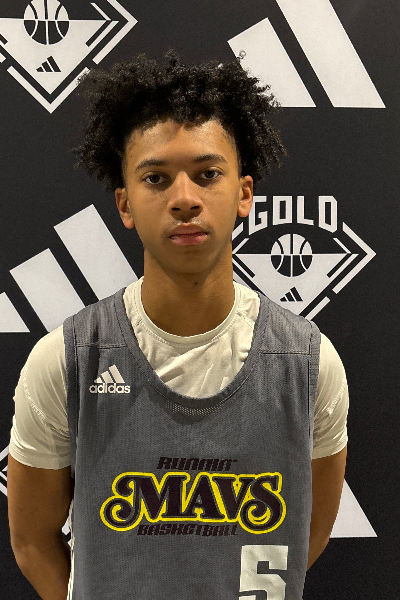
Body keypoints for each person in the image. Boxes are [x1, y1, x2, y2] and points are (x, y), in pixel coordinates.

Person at [7, 48, 348, 600]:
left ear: (244, 193)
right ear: (124, 204)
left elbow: (304, 534)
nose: (185, 199)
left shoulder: (308, 364)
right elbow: (31, 541)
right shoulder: (66, 360)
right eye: (157, 178)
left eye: (208, 174)